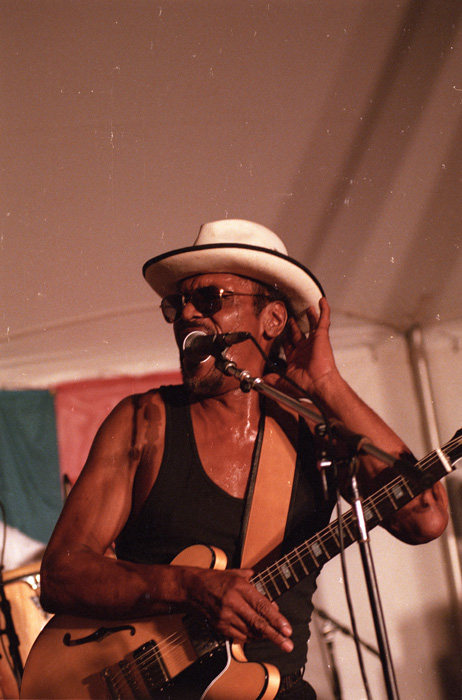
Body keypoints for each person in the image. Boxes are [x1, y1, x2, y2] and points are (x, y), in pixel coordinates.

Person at [38, 219, 448, 699]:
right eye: (178, 303)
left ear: (272, 320)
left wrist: (326, 385)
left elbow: (426, 519)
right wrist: (190, 587)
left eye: (210, 299)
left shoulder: (316, 428)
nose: (188, 313)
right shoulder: (143, 421)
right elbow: (61, 574)